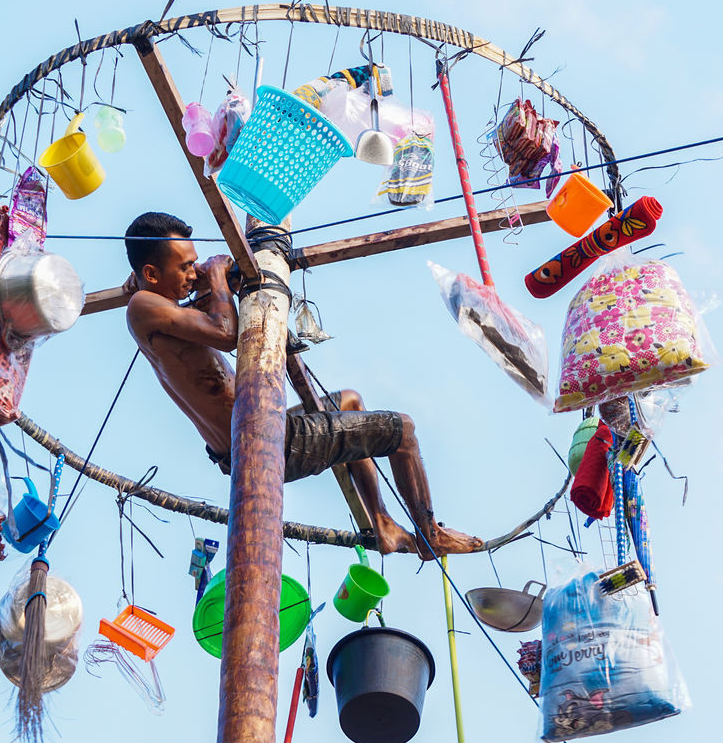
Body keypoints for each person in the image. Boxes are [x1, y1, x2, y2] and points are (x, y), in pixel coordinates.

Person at [122, 211, 481, 559]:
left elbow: (190, 303)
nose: (193, 273)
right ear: (151, 273)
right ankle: (431, 535)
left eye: (194, 263)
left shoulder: (152, 301)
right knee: (402, 431)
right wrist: (216, 277)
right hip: (261, 440)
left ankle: (383, 522)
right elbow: (226, 332)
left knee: (350, 401)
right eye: (184, 267)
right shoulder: (143, 305)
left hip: (252, 430)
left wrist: (201, 281)